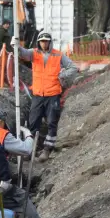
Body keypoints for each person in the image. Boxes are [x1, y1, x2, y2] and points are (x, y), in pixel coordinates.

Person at [12, 32, 77, 161]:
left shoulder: (58, 55)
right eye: (42, 41)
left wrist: (63, 76)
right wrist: (16, 46)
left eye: (46, 41)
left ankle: (47, 149)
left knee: (52, 122)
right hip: (38, 95)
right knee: (33, 122)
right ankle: (30, 149)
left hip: (53, 95)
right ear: (38, 42)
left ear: (50, 42)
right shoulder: (34, 53)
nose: (44, 43)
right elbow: (23, 53)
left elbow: (73, 67)